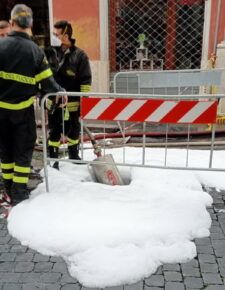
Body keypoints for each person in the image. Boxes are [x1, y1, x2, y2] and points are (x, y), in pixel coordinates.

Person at [0, 4, 67, 206]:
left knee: (5, 151)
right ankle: (19, 193)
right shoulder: (35, 51)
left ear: (12, 23)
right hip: (23, 113)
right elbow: (48, 82)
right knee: (22, 152)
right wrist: (60, 92)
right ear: (30, 25)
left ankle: (8, 188)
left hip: (1, 111)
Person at [45, 20, 92, 169]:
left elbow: (85, 80)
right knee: (54, 131)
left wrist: (83, 103)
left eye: (56, 34)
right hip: (54, 101)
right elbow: (43, 76)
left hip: (72, 103)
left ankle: (73, 155)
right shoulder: (49, 53)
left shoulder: (80, 56)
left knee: (73, 129)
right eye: (53, 34)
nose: (54, 37)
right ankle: (53, 158)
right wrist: (45, 97)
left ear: (66, 35)